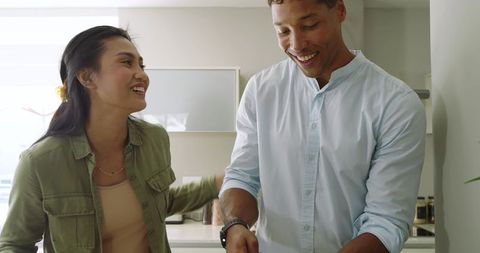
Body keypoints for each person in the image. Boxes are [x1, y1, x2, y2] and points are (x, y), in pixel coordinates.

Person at [219, 0, 426, 253]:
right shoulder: (260, 91)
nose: (296, 45)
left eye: (309, 25)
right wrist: (235, 225)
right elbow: (242, 176)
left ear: (339, 10)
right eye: (283, 31)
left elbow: (386, 222)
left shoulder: (396, 103)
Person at [0, 25, 223, 253]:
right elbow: (15, 244)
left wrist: (218, 183)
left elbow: (159, 202)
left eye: (141, 65)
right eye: (127, 62)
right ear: (87, 77)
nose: (143, 75)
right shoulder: (40, 162)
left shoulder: (154, 139)